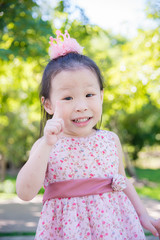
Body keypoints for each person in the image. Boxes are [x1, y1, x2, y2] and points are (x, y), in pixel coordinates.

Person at [16, 30, 160, 240]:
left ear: (101, 96)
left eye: (89, 94)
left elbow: (122, 181)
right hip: (68, 231)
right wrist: (47, 144)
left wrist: (143, 216)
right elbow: (25, 192)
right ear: (47, 104)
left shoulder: (110, 140)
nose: (81, 106)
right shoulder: (46, 145)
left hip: (114, 228)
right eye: (67, 98)